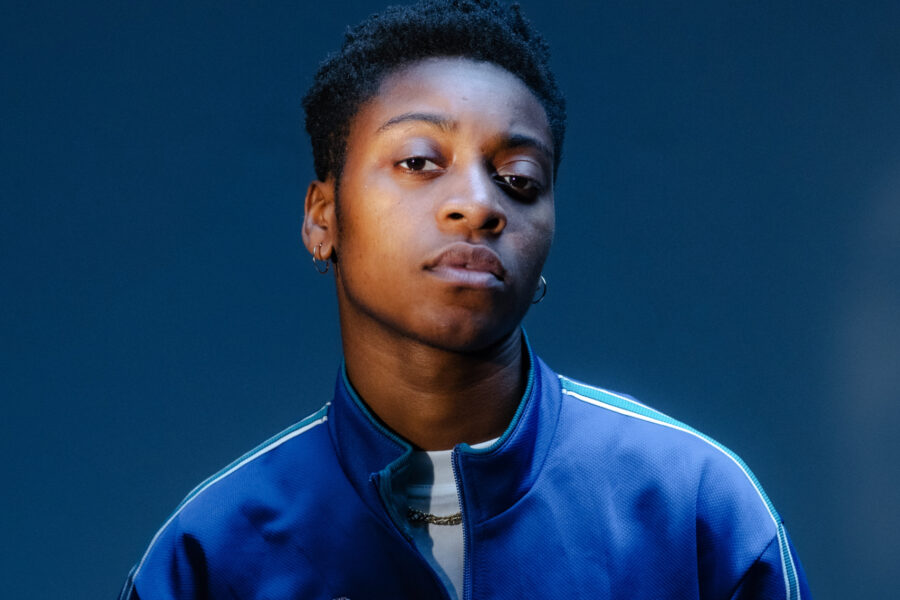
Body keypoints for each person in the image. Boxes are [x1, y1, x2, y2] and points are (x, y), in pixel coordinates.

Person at [119, 1, 811, 598]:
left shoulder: (698, 511)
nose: (478, 206)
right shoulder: (211, 553)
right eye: (419, 162)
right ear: (323, 218)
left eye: (519, 179)